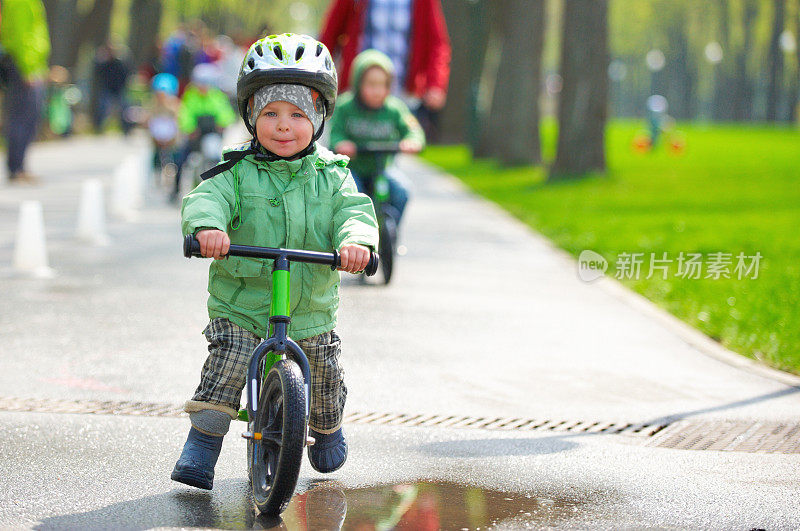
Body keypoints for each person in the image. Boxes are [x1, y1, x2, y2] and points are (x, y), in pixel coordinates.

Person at [172, 33, 378, 490]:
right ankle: (202, 443)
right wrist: (208, 229)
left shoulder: (334, 177)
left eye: (297, 114)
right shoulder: (237, 171)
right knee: (226, 366)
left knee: (324, 371)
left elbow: (355, 213)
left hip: (309, 307)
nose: (283, 126)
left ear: (320, 117)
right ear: (250, 116)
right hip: (242, 304)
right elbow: (207, 198)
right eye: (270, 113)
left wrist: (357, 243)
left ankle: (325, 427)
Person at [319, 0, 450, 139]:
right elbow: (331, 33)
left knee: (399, 141)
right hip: (357, 91)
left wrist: (435, 84)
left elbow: (437, 42)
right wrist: (319, 77)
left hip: (402, 91)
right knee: (348, 138)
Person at [330, 49, 424, 226]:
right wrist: (341, 143)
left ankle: (390, 233)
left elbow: (413, 129)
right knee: (351, 194)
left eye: (383, 85)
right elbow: (336, 133)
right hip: (353, 168)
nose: (377, 91)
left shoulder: (395, 109)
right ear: (358, 83)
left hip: (382, 168)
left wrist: (412, 141)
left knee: (401, 191)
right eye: (371, 84)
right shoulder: (345, 106)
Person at [0, 0, 50, 184]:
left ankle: (19, 166)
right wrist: (28, 69)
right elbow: (22, 36)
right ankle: (16, 167)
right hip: (24, 67)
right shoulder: (21, 2)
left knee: (29, 118)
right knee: (21, 118)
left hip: (31, 65)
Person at [172, 62, 236, 200]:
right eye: (200, 83)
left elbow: (225, 113)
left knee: (218, 160)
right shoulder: (191, 95)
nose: (203, 87)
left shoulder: (216, 95)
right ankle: (175, 190)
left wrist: (222, 123)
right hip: (195, 135)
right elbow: (185, 113)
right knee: (180, 159)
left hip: (211, 133)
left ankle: (221, 190)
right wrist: (189, 128)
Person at [91, 43, 132, 134]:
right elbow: (97, 70)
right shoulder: (104, 63)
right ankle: (98, 128)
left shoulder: (120, 62)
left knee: (124, 111)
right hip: (107, 89)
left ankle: (126, 130)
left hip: (119, 89)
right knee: (102, 109)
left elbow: (127, 73)